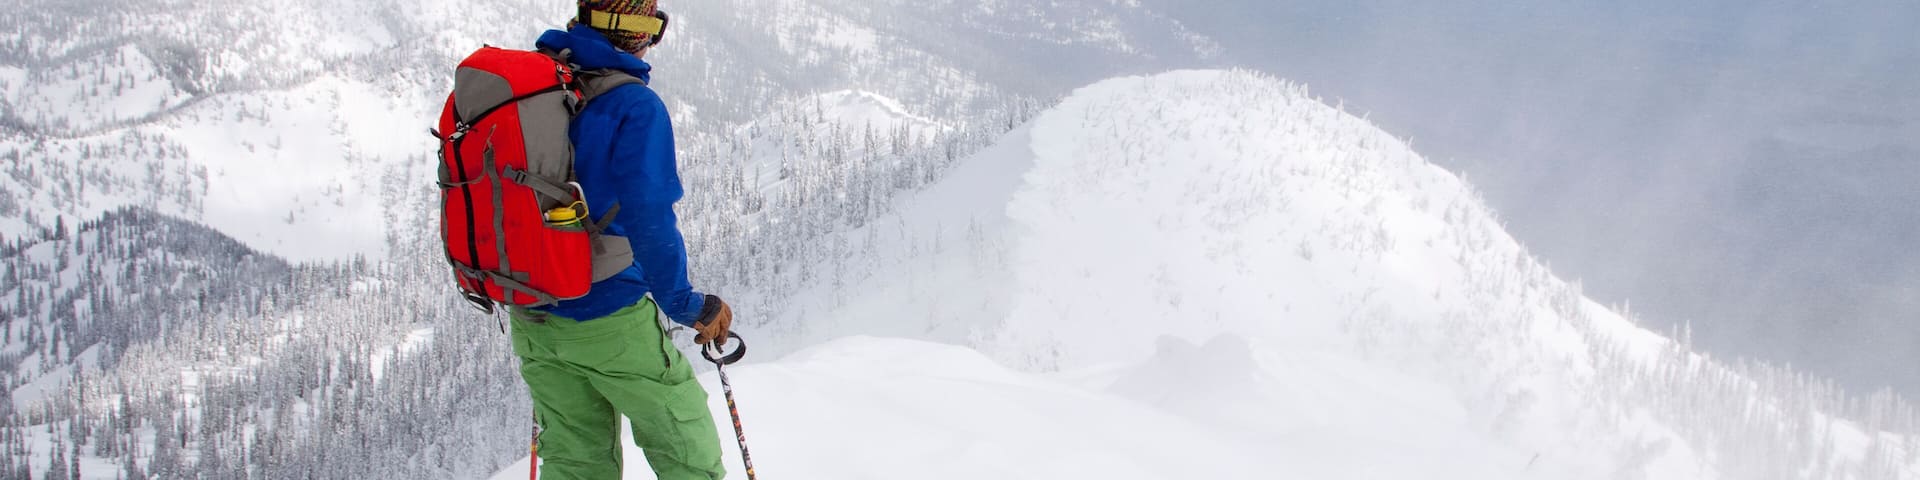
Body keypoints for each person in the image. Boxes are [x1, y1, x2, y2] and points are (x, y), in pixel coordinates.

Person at [508, 1, 731, 478]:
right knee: (687, 452)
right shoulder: (633, 105)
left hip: (530, 311)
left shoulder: (535, 85)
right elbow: (648, 216)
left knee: (574, 461)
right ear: (636, 33)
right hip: (606, 316)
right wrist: (688, 306)